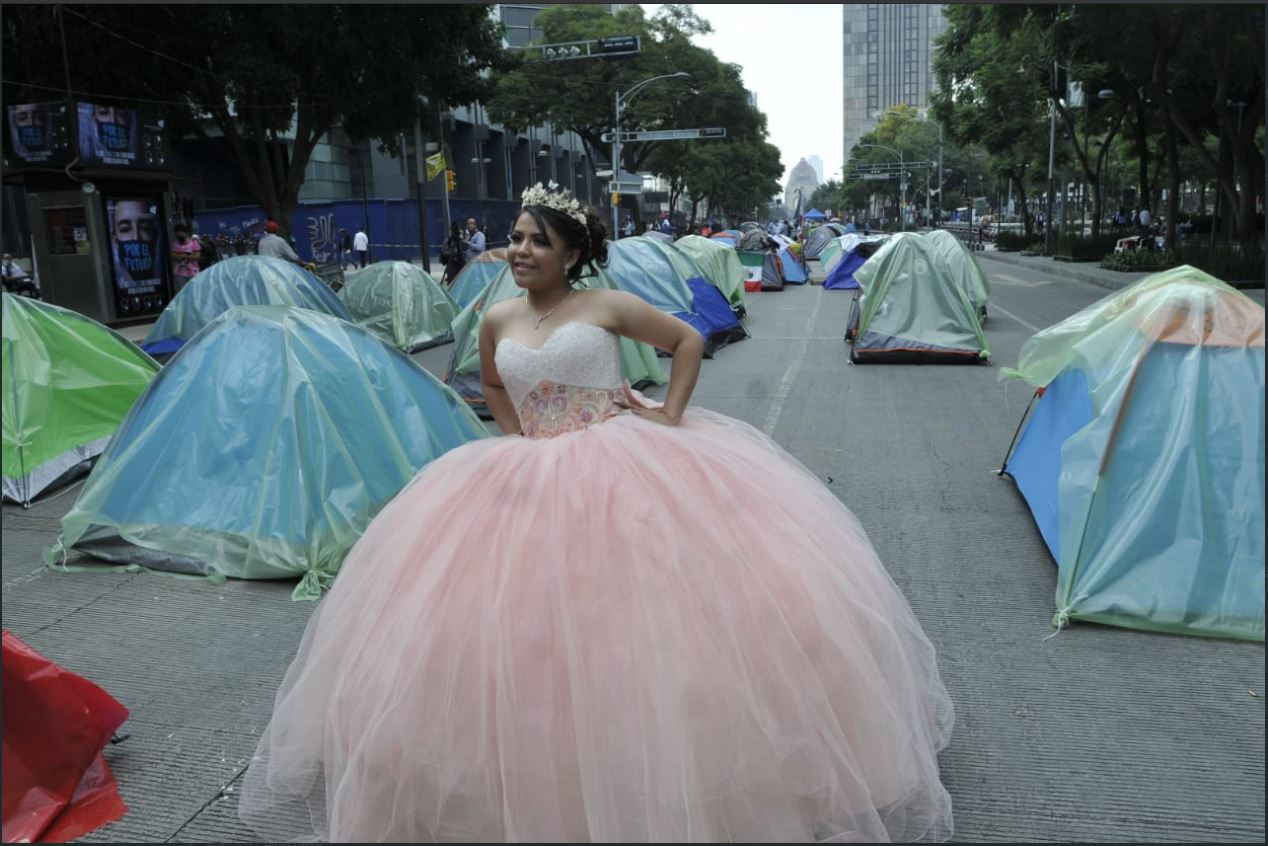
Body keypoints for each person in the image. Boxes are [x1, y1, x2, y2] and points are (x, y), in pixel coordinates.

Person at [239, 182, 955, 844]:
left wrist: (670, 416)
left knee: (654, 631)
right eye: (516, 237)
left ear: (573, 253)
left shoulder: (604, 306)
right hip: (529, 473)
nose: (520, 250)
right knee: (518, 639)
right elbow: (490, 382)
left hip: (626, 463)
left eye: (537, 241)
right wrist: (520, 449)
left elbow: (686, 340)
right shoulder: (493, 317)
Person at [168, 223, 201, 294]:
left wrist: (186, 256)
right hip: (179, 273)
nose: (179, 237)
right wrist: (177, 256)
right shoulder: (175, 244)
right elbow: (172, 256)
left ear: (185, 233)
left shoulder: (193, 243)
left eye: (180, 234)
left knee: (194, 292)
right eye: (177, 235)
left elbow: (197, 256)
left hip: (193, 272)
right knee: (182, 293)